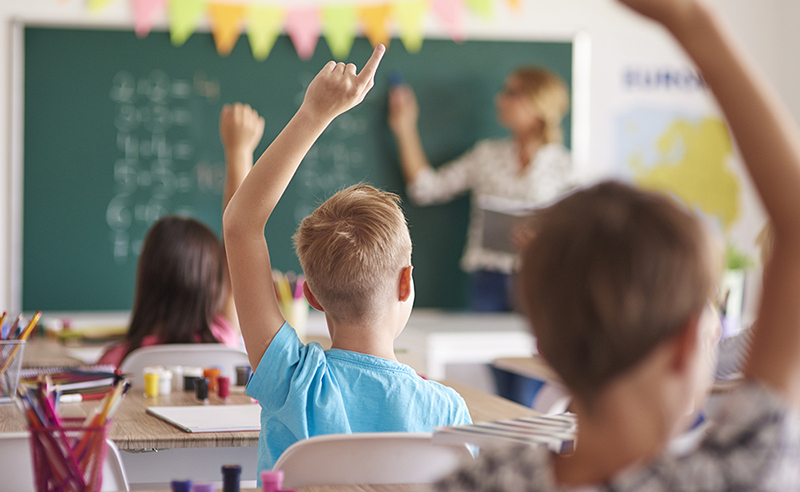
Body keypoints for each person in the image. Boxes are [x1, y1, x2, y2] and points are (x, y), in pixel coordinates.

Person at [436, 0, 800, 490]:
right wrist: (693, 23)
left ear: (540, 343)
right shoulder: (728, 477)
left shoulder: (474, 483)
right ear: (690, 342)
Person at [223, 45, 472, 473]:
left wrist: (314, 114)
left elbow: (241, 226)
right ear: (406, 282)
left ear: (313, 296)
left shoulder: (292, 381)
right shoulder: (447, 414)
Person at [388, 66, 574, 311]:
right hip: (488, 281)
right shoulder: (486, 156)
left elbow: (581, 231)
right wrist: (404, 128)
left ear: (538, 103)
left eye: (512, 92)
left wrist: (544, 236)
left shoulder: (565, 167)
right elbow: (424, 188)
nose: (500, 99)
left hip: (542, 278)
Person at [98, 103, 265, 368]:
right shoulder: (224, 338)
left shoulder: (117, 362)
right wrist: (239, 151)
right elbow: (238, 243)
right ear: (214, 283)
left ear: (146, 280)